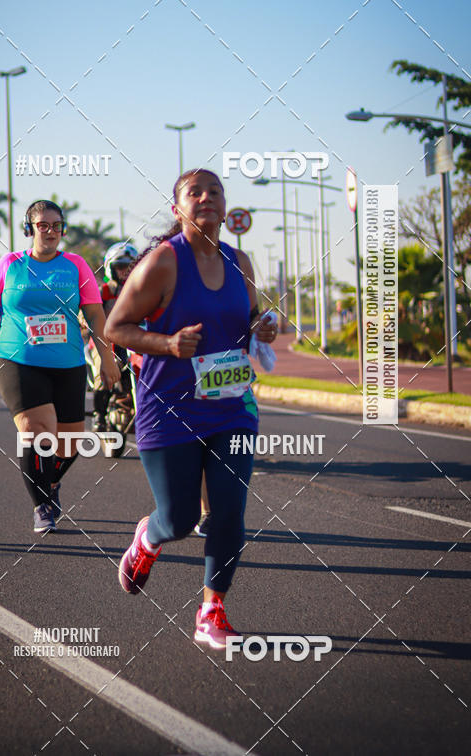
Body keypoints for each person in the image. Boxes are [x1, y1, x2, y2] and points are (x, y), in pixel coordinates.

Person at [105, 169, 277, 649]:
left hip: (231, 405)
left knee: (228, 512)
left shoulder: (239, 260)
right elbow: (116, 328)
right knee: (180, 519)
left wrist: (262, 328)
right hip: (170, 408)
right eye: (194, 193)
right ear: (179, 208)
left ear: (225, 207)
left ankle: (211, 610)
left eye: (214, 191)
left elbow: (247, 320)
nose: (206, 198)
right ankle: (149, 537)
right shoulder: (163, 262)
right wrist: (167, 343)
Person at [0, 199, 119, 533]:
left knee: (70, 443)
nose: (50, 231)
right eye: (43, 225)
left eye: (56, 225)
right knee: (38, 431)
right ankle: (42, 504)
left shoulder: (76, 266)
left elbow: (96, 314)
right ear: (30, 229)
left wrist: (107, 356)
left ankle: (49, 483)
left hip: (67, 361)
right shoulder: (8, 266)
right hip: (17, 358)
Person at [92, 242, 138, 432]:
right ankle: (99, 415)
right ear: (111, 268)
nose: (125, 272)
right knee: (104, 372)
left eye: (129, 267)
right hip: (105, 343)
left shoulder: (140, 290)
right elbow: (87, 313)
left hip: (135, 342)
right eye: (120, 267)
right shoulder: (102, 291)